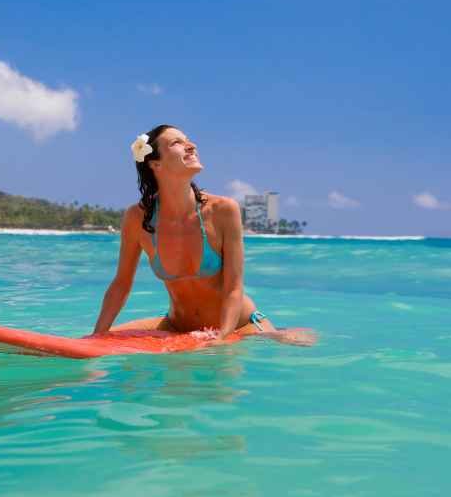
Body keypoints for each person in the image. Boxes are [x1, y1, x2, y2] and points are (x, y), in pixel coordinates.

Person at [92, 124, 316, 346]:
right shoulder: (137, 218)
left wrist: (222, 337)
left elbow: (234, 288)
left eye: (188, 140)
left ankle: (281, 333)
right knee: (101, 338)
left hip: (239, 326)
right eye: (177, 142)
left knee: (302, 344)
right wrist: (97, 337)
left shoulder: (223, 210)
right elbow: (121, 284)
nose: (191, 146)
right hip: (176, 326)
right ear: (155, 163)